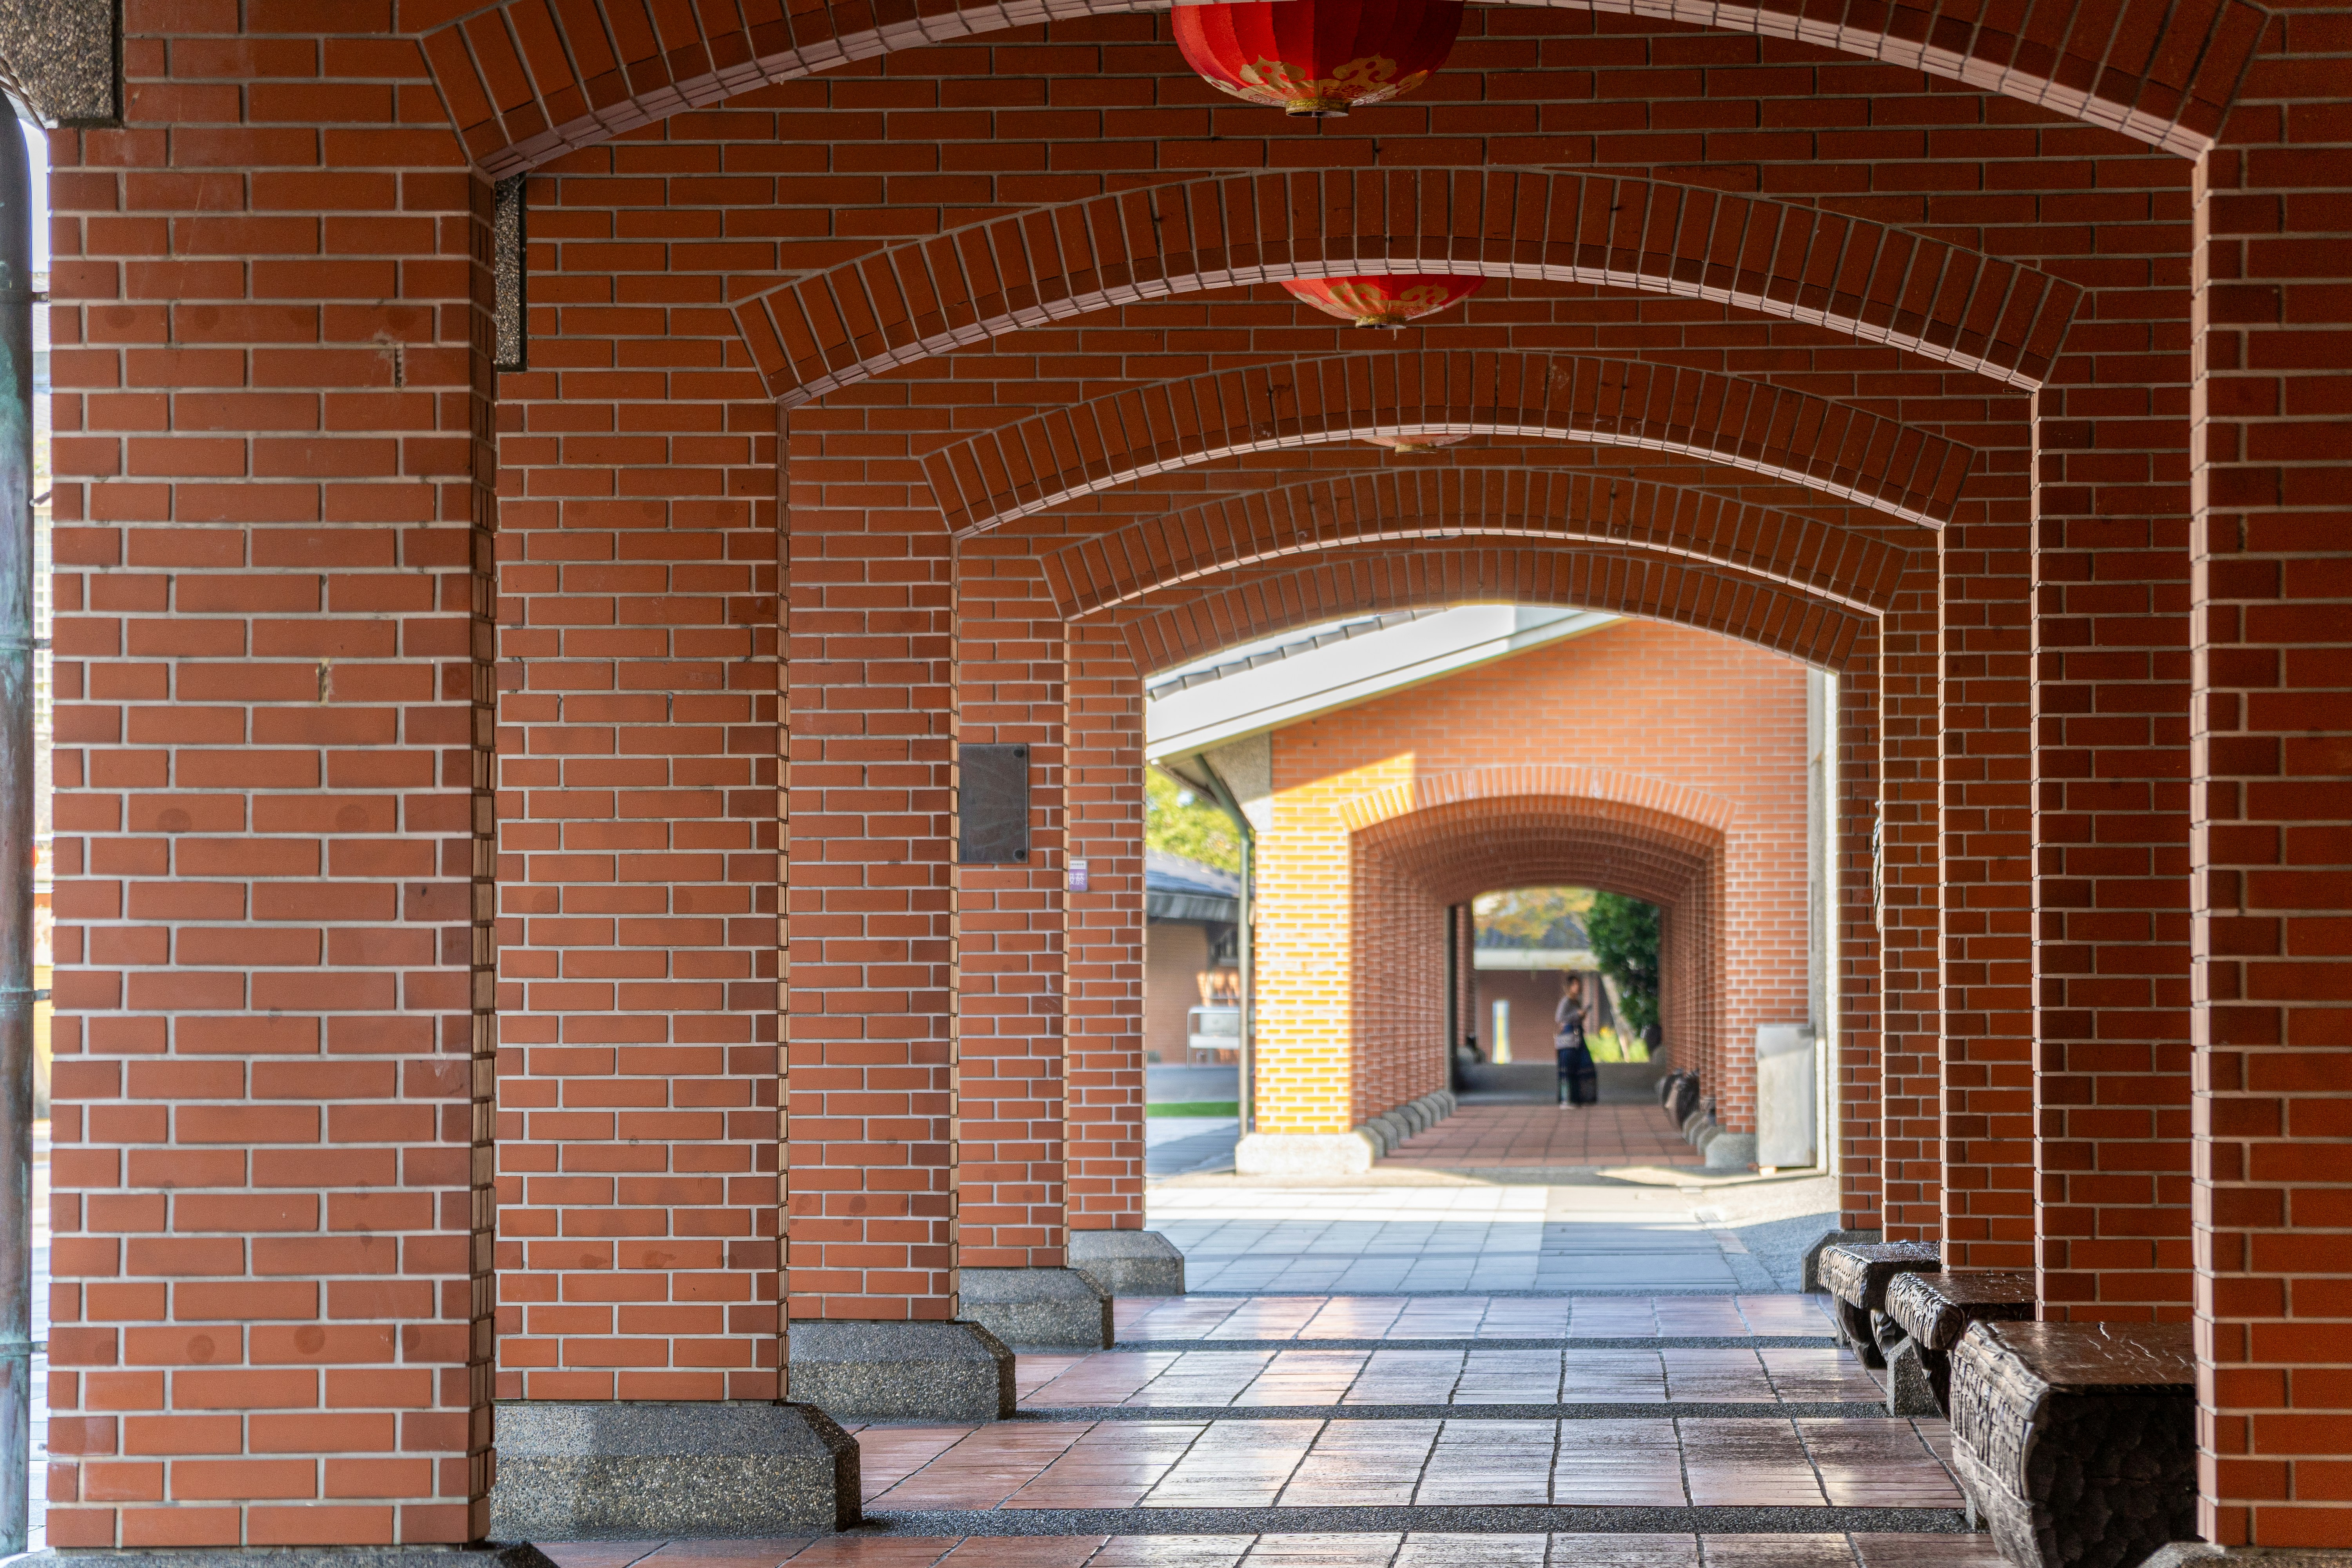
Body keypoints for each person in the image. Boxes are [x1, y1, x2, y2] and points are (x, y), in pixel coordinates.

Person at [1555, 972, 1599, 1108]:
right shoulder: (1566, 1001)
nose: (1578, 987)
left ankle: (1581, 1098)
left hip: (1579, 1035)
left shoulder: (1576, 1001)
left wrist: (1582, 1015)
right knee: (1569, 1068)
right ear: (1570, 986)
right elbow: (1560, 1017)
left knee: (1585, 1065)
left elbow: (1576, 1018)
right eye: (1575, 984)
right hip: (1569, 1037)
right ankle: (1567, 1100)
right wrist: (1576, 1014)